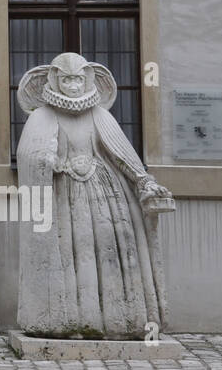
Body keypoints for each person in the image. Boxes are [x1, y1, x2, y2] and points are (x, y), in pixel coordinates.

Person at [16, 52, 174, 338]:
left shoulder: (100, 115)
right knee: (70, 255)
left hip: (103, 194)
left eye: (78, 79)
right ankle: (67, 321)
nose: (74, 86)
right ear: (55, 79)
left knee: (107, 252)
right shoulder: (42, 116)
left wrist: (144, 181)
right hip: (63, 194)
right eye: (67, 79)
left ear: (88, 79)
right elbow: (28, 154)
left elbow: (123, 154)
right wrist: (44, 158)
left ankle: (115, 320)